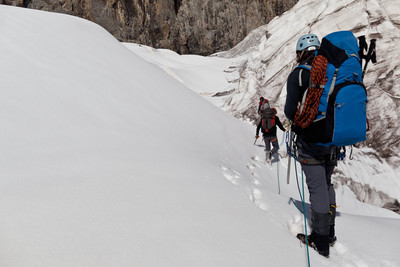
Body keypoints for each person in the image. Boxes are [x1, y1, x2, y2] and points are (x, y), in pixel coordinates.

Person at [284, 33, 337, 257]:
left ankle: (321, 241)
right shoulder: (332, 70)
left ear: (302, 53)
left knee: (316, 188)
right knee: (326, 183)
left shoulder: (298, 75)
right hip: (334, 138)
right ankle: (330, 231)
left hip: (311, 138)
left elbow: (289, 111)